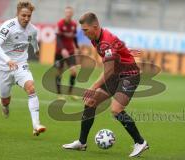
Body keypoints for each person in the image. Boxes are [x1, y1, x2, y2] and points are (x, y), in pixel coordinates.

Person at [62, 12, 149, 157]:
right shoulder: (96, 38)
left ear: (95, 27)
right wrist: (126, 52)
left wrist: (93, 86)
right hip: (116, 75)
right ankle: (81, 142)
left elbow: (108, 71)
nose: (84, 33)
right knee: (91, 102)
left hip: (129, 75)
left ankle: (140, 142)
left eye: (85, 30)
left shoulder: (105, 42)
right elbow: (117, 49)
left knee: (116, 110)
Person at [0, 0, 46, 136]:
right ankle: (4, 105)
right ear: (17, 14)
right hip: (2, 67)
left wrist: (36, 49)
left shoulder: (32, 30)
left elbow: (33, 40)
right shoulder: (8, 26)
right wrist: (7, 60)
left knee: (31, 88)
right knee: (5, 99)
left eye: (29, 16)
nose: (26, 18)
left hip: (21, 65)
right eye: (23, 15)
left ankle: (36, 124)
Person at [54, 6, 79, 100]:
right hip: (59, 52)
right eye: (67, 13)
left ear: (72, 14)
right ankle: (59, 94)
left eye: (70, 13)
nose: (68, 14)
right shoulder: (60, 23)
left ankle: (70, 92)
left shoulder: (74, 24)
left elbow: (74, 37)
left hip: (71, 51)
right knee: (59, 72)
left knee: (73, 71)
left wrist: (77, 47)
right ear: (65, 14)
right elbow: (58, 38)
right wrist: (63, 49)